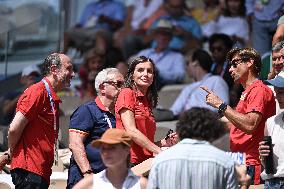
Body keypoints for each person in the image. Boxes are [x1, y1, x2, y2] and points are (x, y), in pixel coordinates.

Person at [201, 48, 276, 185]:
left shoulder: (259, 90)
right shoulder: (247, 92)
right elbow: (235, 122)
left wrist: (221, 105)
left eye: (235, 64)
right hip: (240, 160)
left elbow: (250, 125)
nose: (230, 69)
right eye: (230, 65)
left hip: (252, 162)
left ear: (250, 63)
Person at [5, 53, 74, 188]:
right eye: (69, 69)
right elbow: (14, 129)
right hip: (30, 170)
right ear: (54, 70)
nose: (73, 74)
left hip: (38, 171)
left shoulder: (48, 95)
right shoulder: (37, 92)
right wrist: (11, 153)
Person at [147, 107, 250, 189]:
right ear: (213, 131)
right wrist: (244, 184)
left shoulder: (160, 161)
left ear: (181, 129)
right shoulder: (225, 162)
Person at [67, 68, 125, 188]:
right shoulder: (87, 110)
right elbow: (75, 144)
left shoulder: (120, 114)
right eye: (118, 84)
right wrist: (88, 175)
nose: (123, 89)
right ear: (103, 87)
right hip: (86, 180)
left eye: (124, 85)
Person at [115, 56, 176, 165]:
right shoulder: (126, 93)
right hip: (128, 163)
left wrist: (163, 143)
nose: (145, 74)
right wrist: (159, 151)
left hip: (145, 163)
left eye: (149, 71)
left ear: (153, 77)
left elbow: (145, 146)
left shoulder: (147, 101)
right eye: (140, 70)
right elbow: (131, 131)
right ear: (132, 76)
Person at [73, 128, 147, 189]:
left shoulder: (142, 185)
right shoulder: (90, 183)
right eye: (103, 148)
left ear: (127, 150)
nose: (106, 153)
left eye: (112, 148)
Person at [170, 49, 229, 117]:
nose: (186, 67)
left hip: (208, 121)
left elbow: (223, 108)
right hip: (187, 122)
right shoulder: (188, 88)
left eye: (187, 63)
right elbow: (174, 111)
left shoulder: (216, 80)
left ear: (196, 63)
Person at [137, 19, 186, 88]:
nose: (163, 38)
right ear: (155, 36)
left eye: (166, 34)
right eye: (160, 34)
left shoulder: (177, 57)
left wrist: (159, 72)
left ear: (170, 38)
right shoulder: (144, 53)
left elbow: (180, 75)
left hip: (158, 83)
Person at [259, 71, 284, 188]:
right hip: (271, 183)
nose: (276, 96)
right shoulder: (270, 122)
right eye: (276, 92)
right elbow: (265, 162)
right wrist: (263, 155)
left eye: (281, 92)